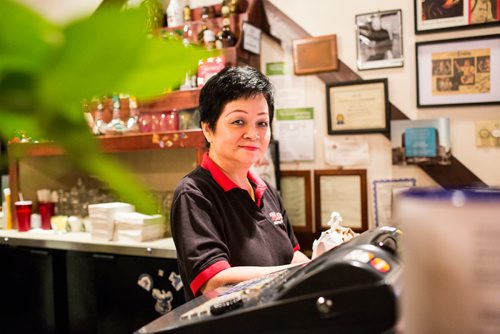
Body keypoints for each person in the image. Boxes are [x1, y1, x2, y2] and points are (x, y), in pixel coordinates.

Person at [170, 66, 310, 301]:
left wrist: (321, 265)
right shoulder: (194, 194)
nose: (253, 133)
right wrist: (296, 272)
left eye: (262, 123)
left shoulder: (267, 192)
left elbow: (292, 255)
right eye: (238, 121)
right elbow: (216, 280)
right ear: (208, 129)